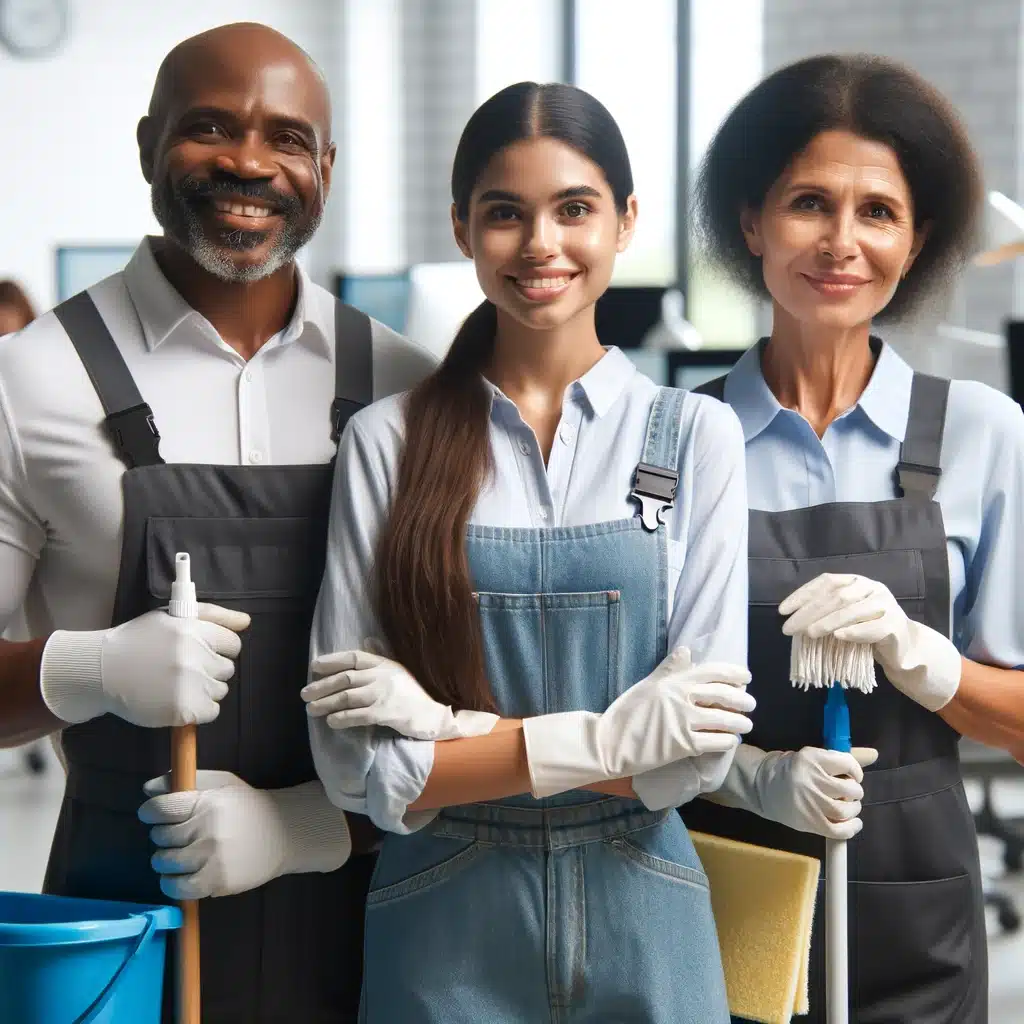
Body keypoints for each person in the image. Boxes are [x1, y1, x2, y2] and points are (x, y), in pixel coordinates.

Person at [0, 22, 435, 1023]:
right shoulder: (32, 382)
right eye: (209, 128)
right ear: (148, 142)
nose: (248, 161)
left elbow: (472, 694)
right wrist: (89, 670)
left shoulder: (410, 390)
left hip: (373, 918)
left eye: (287, 138)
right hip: (123, 938)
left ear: (325, 167)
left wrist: (309, 827)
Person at [300, 81, 756, 1023]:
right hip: (443, 915)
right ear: (463, 228)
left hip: (647, 908)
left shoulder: (698, 436)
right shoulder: (387, 443)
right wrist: (620, 738)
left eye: (575, 209)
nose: (541, 245)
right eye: (506, 214)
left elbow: (699, 755)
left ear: (626, 221)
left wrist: (449, 733)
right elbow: (362, 767)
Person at [677, 54, 1024, 1024]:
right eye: (808, 203)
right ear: (750, 221)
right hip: (721, 888)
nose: (840, 242)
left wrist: (928, 660)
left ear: (916, 241)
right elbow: (625, 696)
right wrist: (753, 776)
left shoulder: (983, 436)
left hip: (917, 920)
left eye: (877, 211)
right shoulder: (673, 440)